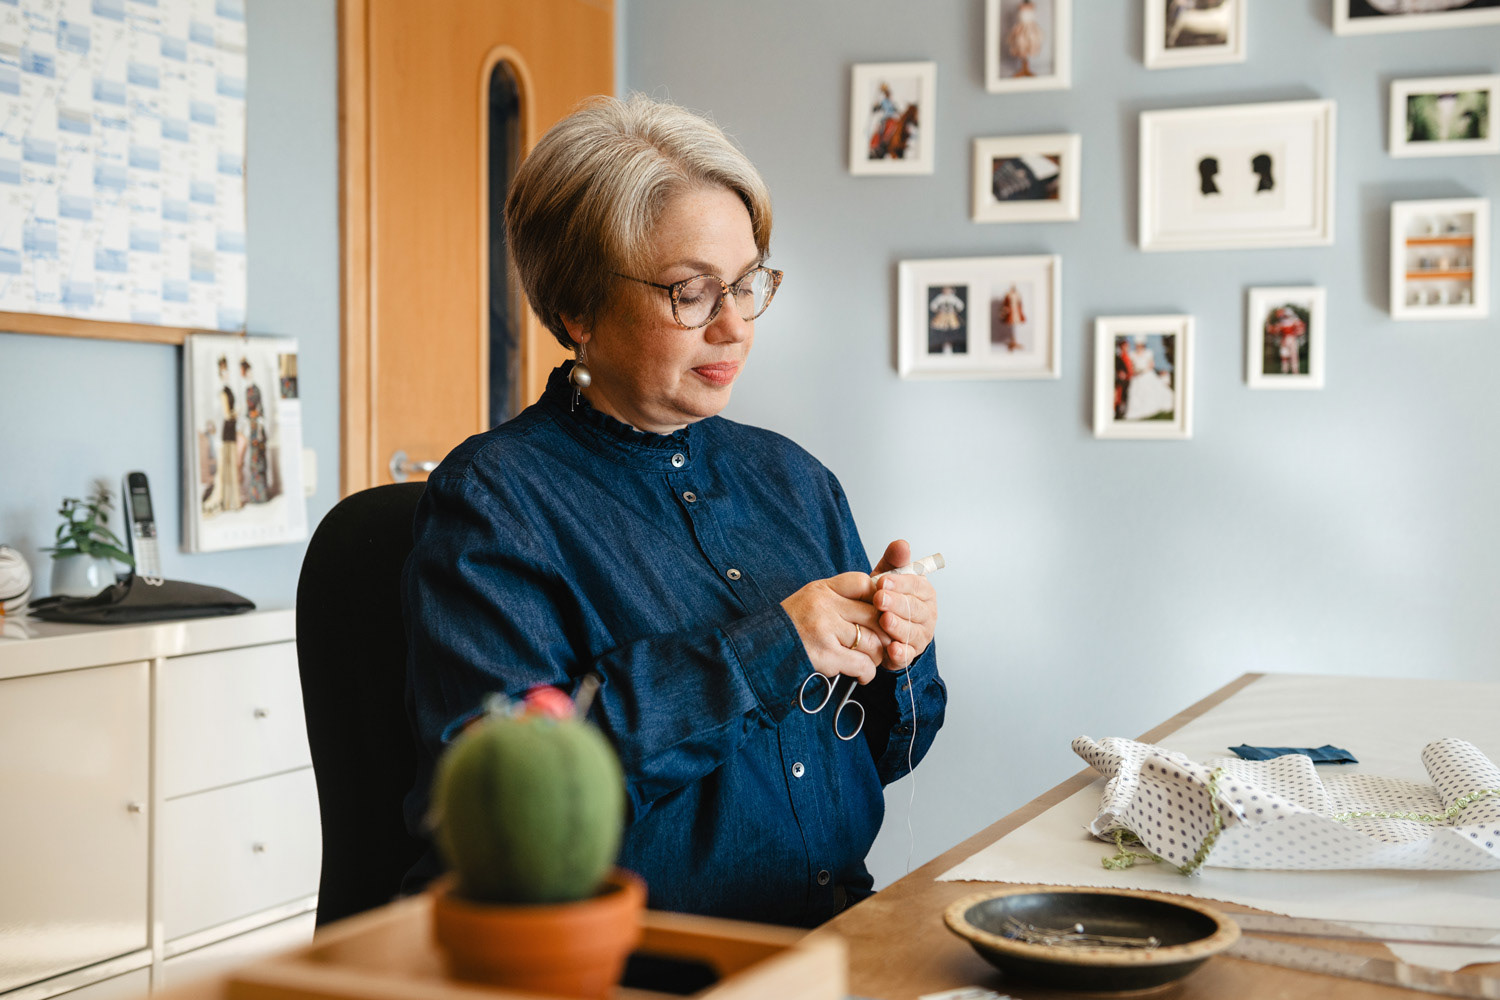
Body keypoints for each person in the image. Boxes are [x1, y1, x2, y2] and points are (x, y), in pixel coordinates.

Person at [402, 95, 946, 928]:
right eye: (691, 293)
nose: (734, 327)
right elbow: (505, 800)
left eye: (746, 284)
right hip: (644, 966)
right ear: (579, 309)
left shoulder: (795, 480)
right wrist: (775, 648)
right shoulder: (496, 502)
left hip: (832, 942)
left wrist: (897, 649)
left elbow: (882, 755)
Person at [1122, 336, 1175, 421]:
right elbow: (1131, 367)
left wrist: (1143, 371)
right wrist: (1136, 372)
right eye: (1137, 345)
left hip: (1147, 374)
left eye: (1140, 345)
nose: (1138, 346)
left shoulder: (1148, 352)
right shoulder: (1132, 354)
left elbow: (1151, 365)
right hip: (1137, 377)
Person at [240, 358, 270, 503]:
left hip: (257, 426)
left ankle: (262, 494)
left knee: (259, 460)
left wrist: (259, 424)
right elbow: (247, 411)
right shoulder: (247, 390)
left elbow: (260, 408)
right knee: (252, 461)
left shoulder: (256, 389)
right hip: (251, 426)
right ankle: (255, 495)